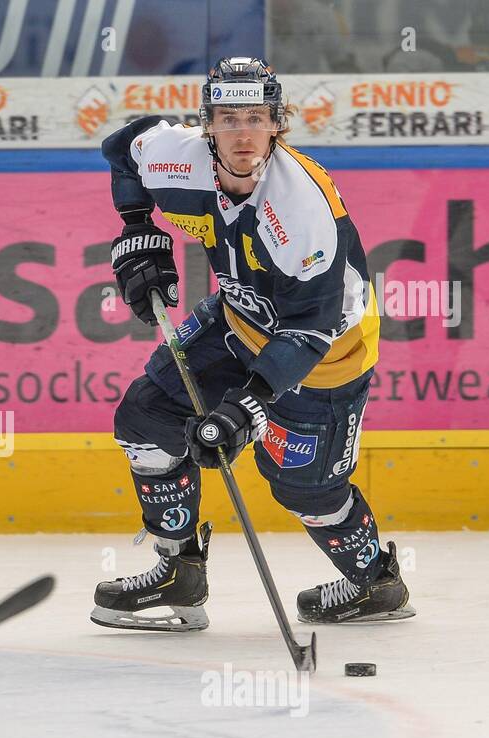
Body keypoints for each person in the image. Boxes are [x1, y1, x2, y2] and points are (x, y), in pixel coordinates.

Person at [92, 56, 414, 631]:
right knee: (144, 415)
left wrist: (249, 405)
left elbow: (309, 330)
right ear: (207, 122)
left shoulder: (300, 209)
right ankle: (179, 571)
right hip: (239, 319)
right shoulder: (179, 158)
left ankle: (375, 584)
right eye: (227, 116)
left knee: (304, 492)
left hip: (324, 357)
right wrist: (137, 227)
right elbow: (123, 147)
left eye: (256, 116)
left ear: (277, 123)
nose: (243, 132)